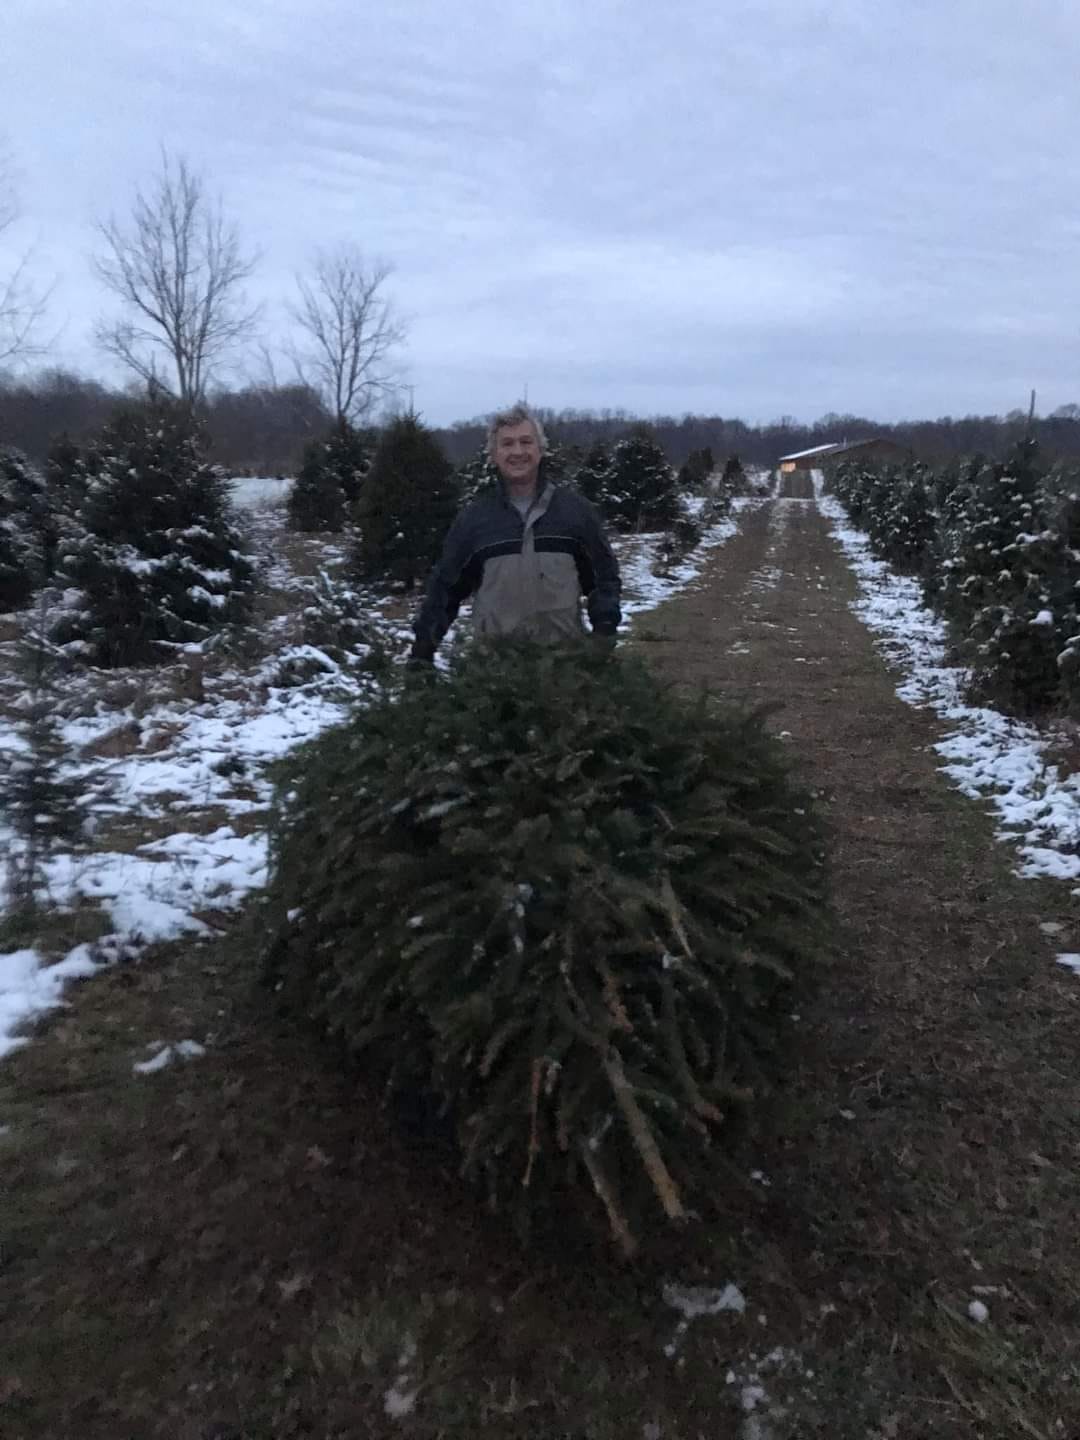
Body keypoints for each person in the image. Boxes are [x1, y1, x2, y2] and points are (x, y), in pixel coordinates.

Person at [409, 404, 621, 662]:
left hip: (565, 666)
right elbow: (445, 590)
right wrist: (423, 651)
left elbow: (603, 578)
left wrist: (603, 632)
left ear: (540, 449)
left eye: (526, 442)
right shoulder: (475, 520)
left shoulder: (575, 512)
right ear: (494, 454)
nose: (518, 451)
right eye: (507, 444)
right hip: (494, 669)